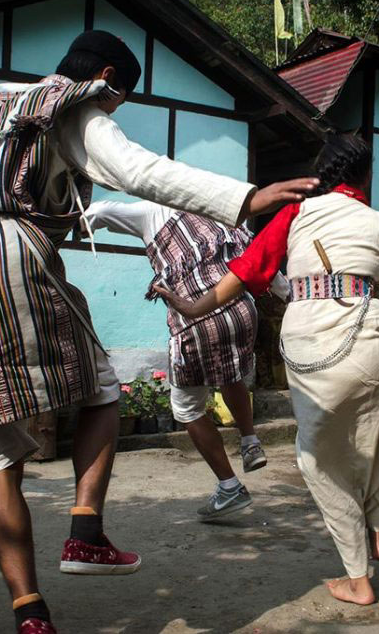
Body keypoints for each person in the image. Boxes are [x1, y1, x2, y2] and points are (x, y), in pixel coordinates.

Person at [0, 30, 317, 634]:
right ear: (106, 78)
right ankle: (85, 531)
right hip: (11, 254)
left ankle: (30, 612)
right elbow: (139, 170)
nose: (115, 110)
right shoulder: (77, 106)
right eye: (120, 99)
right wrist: (249, 196)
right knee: (103, 390)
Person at [154, 133, 379, 606]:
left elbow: (248, 271)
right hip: (373, 342)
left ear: (323, 172)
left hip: (313, 346)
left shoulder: (296, 213)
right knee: (371, 447)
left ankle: (358, 577)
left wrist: (193, 304)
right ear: (367, 176)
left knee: (319, 459)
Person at [82, 199, 277, 520]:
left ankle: (230, 487)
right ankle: (250, 441)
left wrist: (73, 221)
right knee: (231, 376)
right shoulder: (220, 209)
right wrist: (289, 296)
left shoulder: (150, 210)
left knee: (187, 408)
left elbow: (98, 212)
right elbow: (260, 263)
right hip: (243, 310)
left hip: (197, 319)